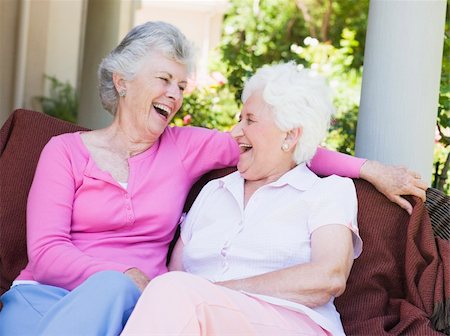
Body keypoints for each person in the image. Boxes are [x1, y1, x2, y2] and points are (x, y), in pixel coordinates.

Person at [0, 21, 426, 335]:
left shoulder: (186, 147)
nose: (175, 94)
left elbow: (285, 144)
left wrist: (368, 169)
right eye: (164, 79)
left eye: (182, 85)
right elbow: (47, 251)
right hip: (50, 295)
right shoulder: (65, 152)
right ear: (122, 81)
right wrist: (122, 276)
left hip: (136, 307)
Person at [121, 62, 362, 336]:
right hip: (204, 321)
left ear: (290, 134)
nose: (235, 132)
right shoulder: (214, 191)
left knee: (173, 291)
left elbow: (328, 277)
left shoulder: (327, 192)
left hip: (291, 325)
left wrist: (213, 294)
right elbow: (175, 274)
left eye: (250, 120)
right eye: (239, 119)